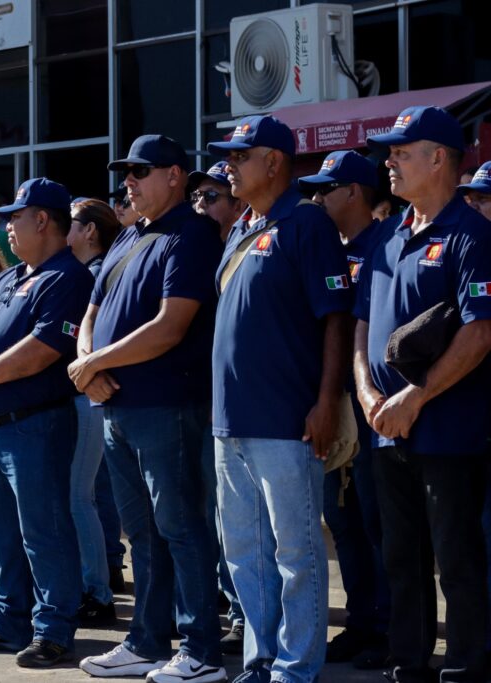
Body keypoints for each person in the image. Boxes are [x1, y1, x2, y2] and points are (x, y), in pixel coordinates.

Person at [72, 136, 225, 683]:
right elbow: (92, 310)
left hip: (167, 404)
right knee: (142, 532)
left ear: (176, 176)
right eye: (126, 173)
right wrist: (88, 363)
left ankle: (202, 648)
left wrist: (91, 367)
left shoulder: (195, 232)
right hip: (116, 407)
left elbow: (171, 325)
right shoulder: (129, 235)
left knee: (180, 526)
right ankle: (146, 640)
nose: (129, 182)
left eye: (142, 171)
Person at [208, 115, 353, 683]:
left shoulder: (306, 223)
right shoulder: (245, 227)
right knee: (246, 555)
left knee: (296, 555)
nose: (229, 167)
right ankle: (261, 659)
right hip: (232, 422)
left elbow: (336, 319)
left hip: (287, 421)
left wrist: (326, 402)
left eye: (240, 157)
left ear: (273, 162)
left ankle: (296, 668)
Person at [356, 106, 491, 683]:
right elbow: (361, 324)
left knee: (456, 558)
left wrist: (415, 396)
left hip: (448, 427)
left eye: (402, 151)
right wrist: (366, 395)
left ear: (439, 158)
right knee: (400, 557)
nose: (389, 160)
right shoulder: (389, 234)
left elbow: (481, 331)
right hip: (385, 428)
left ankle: (466, 665)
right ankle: (407, 661)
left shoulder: (472, 234)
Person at [0, 177, 91, 669]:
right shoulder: (10, 276)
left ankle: (53, 630)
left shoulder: (68, 277)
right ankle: (8, 621)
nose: (6, 226)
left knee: (43, 530)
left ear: (43, 221)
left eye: (14, 217)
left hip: (35, 423)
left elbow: (47, 347)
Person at [298, 150, 391, 669]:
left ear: (354, 191)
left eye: (326, 189)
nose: (316, 198)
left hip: (373, 412)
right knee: (344, 521)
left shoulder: (385, 243)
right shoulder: (330, 248)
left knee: (380, 525)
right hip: (334, 409)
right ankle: (361, 621)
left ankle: (390, 626)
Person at [188, 160, 248, 655]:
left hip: (246, 405)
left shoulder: (247, 242)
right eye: (197, 198)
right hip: (204, 402)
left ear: (236, 202)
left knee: (245, 524)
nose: (200, 205)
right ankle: (232, 607)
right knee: (212, 516)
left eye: (211, 196)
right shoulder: (206, 246)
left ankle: (246, 616)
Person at [61, 198, 121, 628]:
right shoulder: (84, 273)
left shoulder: (97, 274)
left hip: (91, 398)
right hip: (81, 398)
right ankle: (93, 585)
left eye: (71, 222)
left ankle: (96, 593)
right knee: (84, 497)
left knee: (79, 498)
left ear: (91, 232)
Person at [190, 161, 247, 242]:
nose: (200, 203)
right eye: (197, 195)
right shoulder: (188, 245)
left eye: (211, 195)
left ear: (238, 207)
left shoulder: (248, 249)